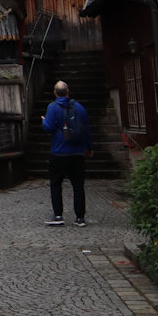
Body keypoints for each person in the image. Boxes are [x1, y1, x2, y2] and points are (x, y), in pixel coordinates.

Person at [40, 81, 92, 226]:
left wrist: (43, 121)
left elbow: (48, 127)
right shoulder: (80, 108)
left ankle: (58, 216)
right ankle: (80, 218)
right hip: (77, 152)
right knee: (78, 186)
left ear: (55, 93)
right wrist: (89, 147)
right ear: (68, 92)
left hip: (59, 152)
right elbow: (87, 128)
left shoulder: (52, 107)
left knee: (56, 184)